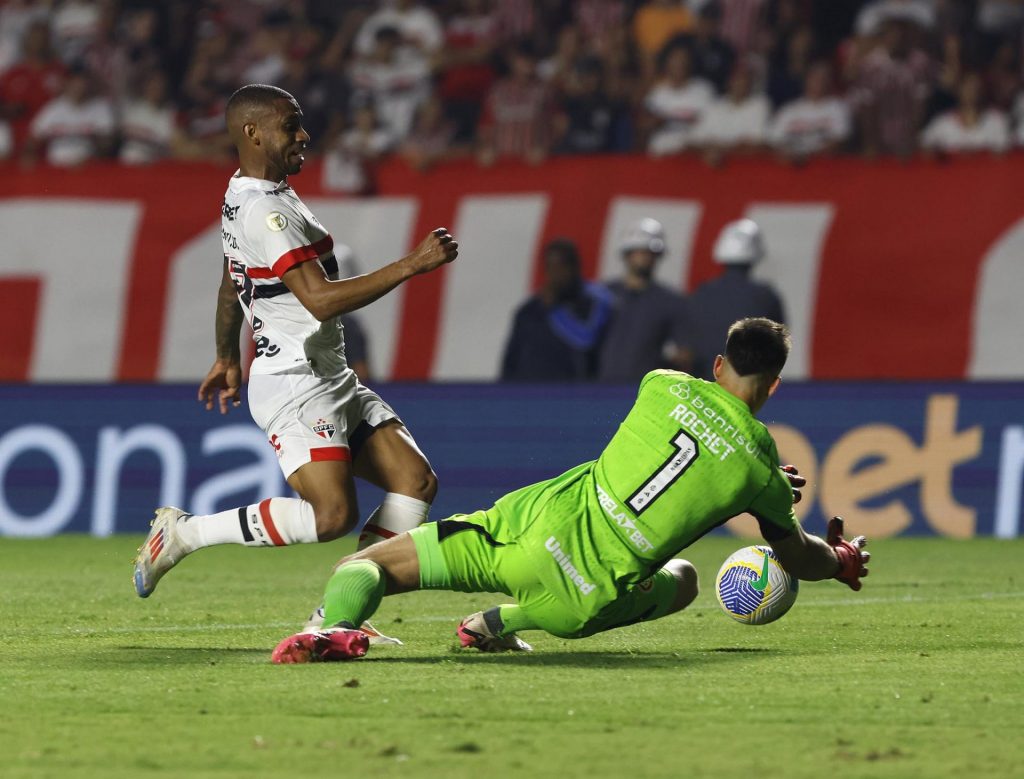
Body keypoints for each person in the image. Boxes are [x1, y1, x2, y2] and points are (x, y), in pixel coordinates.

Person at [269, 318, 870, 663]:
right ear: (776, 385)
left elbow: (684, 444)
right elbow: (796, 555)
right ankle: (501, 620)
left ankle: (331, 630)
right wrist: (837, 558)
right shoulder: (758, 470)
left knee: (362, 566)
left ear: (718, 365)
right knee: (684, 578)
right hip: (579, 598)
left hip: (520, 531)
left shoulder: (661, 384)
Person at [133, 84, 458, 644]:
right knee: (332, 517)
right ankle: (184, 534)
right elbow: (320, 298)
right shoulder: (265, 211)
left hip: (328, 374)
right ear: (254, 132)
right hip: (296, 384)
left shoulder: (249, 193)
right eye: (292, 125)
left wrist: (223, 355)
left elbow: (231, 281)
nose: (304, 135)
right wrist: (413, 263)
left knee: (415, 480)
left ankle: (338, 617)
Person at [500, 238, 612, 382]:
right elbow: (511, 359)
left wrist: (555, 310)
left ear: (575, 268)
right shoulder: (528, 311)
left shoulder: (591, 304)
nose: (556, 274)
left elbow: (587, 341)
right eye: (551, 267)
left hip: (570, 395)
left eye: (562, 267)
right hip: (528, 394)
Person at [598, 218, 695, 382]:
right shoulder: (603, 296)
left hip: (646, 391)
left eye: (650, 253)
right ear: (627, 254)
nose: (644, 258)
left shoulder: (670, 301)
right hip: (598, 388)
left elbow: (684, 352)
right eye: (639, 251)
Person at [688, 220, 785, 379]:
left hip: (704, 388)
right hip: (747, 387)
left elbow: (688, 347)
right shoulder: (766, 296)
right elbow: (779, 345)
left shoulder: (701, 294)